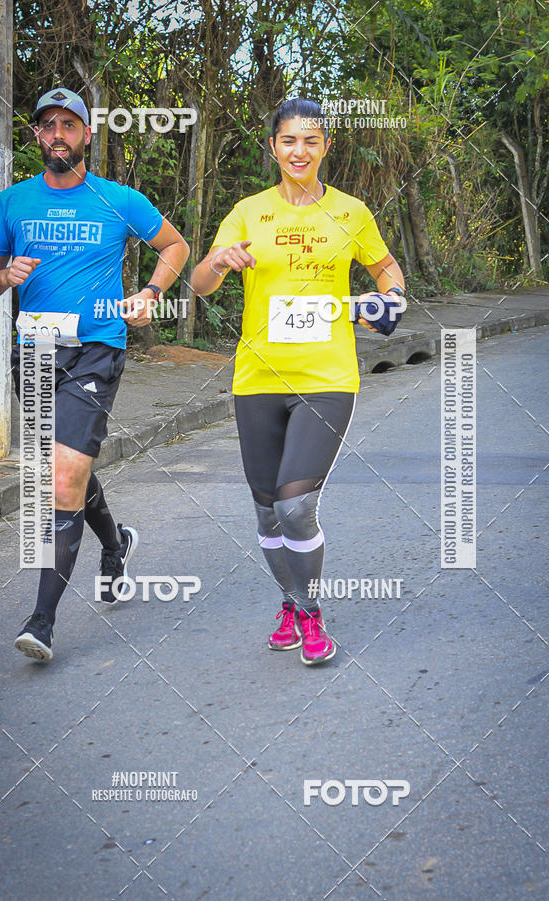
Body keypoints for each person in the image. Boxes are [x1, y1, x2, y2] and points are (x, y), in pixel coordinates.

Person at [0, 87, 189, 661]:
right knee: (63, 468)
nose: (59, 134)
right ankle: (115, 544)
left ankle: (41, 621)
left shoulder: (118, 199)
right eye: (49, 125)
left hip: (96, 349)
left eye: (71, 125)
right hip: (36, 349)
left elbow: (175, 246)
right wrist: (4, 277)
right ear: (38, 136)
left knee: (62, 479)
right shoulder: (13, 202)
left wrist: (150, 292)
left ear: (88, 134)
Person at [191, 97, 405, 665]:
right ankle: (288, 600)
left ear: (325, 147)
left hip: (328, 376)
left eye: (311, 140)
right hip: (257, 377)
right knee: (265, 510)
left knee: (293, 508)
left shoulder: (351, 212)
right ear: (273, 147)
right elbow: (199, 282)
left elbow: (385, 267)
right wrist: (219, 262)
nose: (299, 150)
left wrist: (391, 297)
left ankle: (310, 612)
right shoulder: (247, 211)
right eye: (289, 140)